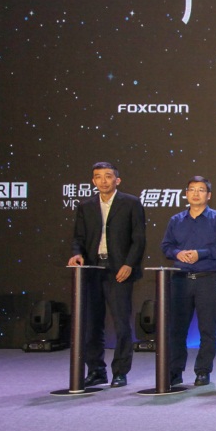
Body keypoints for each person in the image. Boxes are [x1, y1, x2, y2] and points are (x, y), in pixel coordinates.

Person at [67, 161, 146, 388]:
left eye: (108, 176)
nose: (103, 181)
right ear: (93, 181)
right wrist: (76, 254)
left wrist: (129, 264)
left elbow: (139, 239)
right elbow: (78, 238)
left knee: (121, 324)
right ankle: (96, 371)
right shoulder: (86, 206)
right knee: (92, 325)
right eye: (98, 177)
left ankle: (120, 372)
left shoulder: (131, 203)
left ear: (117, 180)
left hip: (119, 271)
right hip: (92, 270)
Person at [161, 176, 216, 387]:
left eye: (201, 190)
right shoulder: (176, 220)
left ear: (208, 195)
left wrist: (199, 254)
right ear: (186, 194)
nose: (195, 193)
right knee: (176, 329)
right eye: (192, 189)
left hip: (207, 279)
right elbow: (166, 246)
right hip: (180, 280)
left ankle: (203, 371)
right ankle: (174, 371)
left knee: (208, 329)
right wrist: (177, 253)